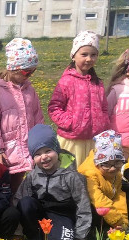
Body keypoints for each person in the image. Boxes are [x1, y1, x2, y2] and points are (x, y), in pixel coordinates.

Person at [16, 124, 91, 240]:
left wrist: (81, 235)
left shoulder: (71, 175)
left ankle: (52, 237)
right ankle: (34, 238)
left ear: (57, 150)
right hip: (41, 213)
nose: (44, 157)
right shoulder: (32, 176)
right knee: (25, 202)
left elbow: (83, 205)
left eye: (48, 151)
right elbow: (18, 200)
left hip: (62, 214)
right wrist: (17, 233)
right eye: (37, 154)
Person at [0, 38, 45, 192]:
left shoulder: (30, 90)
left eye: (33, 71)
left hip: (28, 147)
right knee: (8, 186)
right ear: (13, 68)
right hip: (8, 151)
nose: (30, 75)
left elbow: (38, 117)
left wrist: (41, 142)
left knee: (26, 184)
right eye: (27, 71)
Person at [47, 31, 110, 167]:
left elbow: (104, 107)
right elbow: (54, 107)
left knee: (90, 173)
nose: (89, 59)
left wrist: (103, 122)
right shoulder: (66, 81)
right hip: (72, 140)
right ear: (74, 56)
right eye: (84, 54)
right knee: (69, 172)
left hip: (93, 140)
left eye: (93, 55)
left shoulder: (97, 83)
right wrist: (70, 122)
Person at [78, 130, 129, 235]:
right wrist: (117, 222)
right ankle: (96, 233)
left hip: (108, 207)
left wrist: (123, 223)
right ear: (97, 163)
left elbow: (118, 197)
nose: (112, 168)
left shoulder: (116, 174)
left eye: (117, 162)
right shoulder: (89, 174)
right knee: (94, 208)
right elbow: (99, 201)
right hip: (91, 208)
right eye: (106, 164)